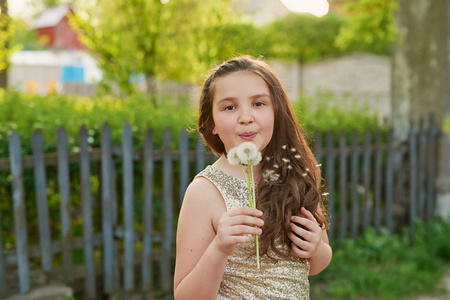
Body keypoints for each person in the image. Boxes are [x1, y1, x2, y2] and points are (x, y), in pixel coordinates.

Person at [173, 56, 332, 300]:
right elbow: (185, 296)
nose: (246, 117)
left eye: (258, 104)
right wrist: (219, 249)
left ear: (276, 111)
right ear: (211, 122)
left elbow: (316, 264)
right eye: (229, 107)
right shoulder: (203, 192)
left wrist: (316, 249)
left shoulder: (295, 175)